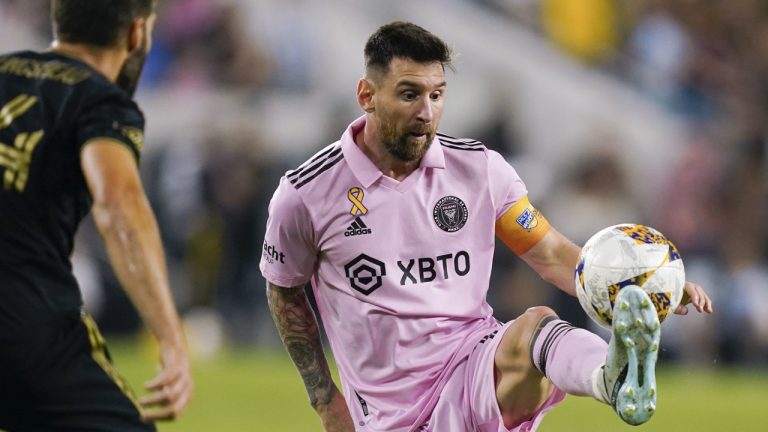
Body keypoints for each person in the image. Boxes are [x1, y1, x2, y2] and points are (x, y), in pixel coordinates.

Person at [260, 21, 713, 432]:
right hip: (387, 411)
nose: (426, 111)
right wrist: (325, 400)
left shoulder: (478, 170)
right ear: (367, 95)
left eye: (437, 94)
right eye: (409, 93)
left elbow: (552, 255)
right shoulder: (306, 195)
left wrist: (650, 287)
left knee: (536, 327)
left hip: (473, 366)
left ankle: (612, 378)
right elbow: (284, 291)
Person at [0, 1, 192, 430]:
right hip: (24, 321)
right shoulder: (98, 100)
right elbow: (118, 203)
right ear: (135, 33)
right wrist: (170, 336)